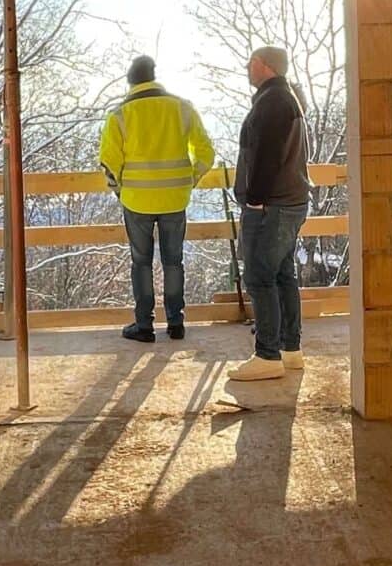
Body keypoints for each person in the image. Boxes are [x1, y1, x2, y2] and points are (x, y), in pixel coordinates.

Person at [97, 54, 215, 343]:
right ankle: (176, 323)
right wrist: (190, 180)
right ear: (154, 75)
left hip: (137, 201)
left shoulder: (120, 115)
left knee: (142, 263)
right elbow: (206, 154)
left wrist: (121, 191)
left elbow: (109, 165)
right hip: (175, 199)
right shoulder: (182, 108)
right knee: (174, 262)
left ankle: (144, 325)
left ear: (131, 80)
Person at [229, 45, 309, 381]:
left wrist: (256, 199)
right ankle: (290, 350)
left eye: (252, 62)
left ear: (266, 66)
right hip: (288, 201)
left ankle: (267, 354)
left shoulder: (273, 102)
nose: (248, 67)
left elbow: (267, 155)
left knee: (260, 277)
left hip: (272, 205)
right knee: (281, 275)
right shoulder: (285, 98)